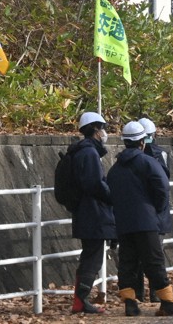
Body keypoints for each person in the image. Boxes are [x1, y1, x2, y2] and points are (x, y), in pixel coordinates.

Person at [107, 121, 173, 316]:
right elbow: (162, 188)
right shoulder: (148, 162)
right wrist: (155, 209)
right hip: (146, 221)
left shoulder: (115, 168)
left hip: (123, 223)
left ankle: (130, 302)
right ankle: (167, 301)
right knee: (154, 261)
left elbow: (109, 194)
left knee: (127, 262)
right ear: (142, 142)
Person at [65, 111, 116, 314]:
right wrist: (112, 196)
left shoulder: (82, 151)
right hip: (93, 213)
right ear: (95, 129)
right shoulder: (89, 153)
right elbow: (95, 184)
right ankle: (81, 300)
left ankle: (81, 300)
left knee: (90, 256)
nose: (105, 132)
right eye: (103, 128)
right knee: (92, 257)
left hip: (85, 212)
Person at [133, 117, 170, 303]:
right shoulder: (160, 154)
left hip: (138, 213)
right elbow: (164, 185)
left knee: (137, 256)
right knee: (156, 256)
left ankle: (138, 293)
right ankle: (157, 293)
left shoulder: (130, 157)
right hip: (157, 214)